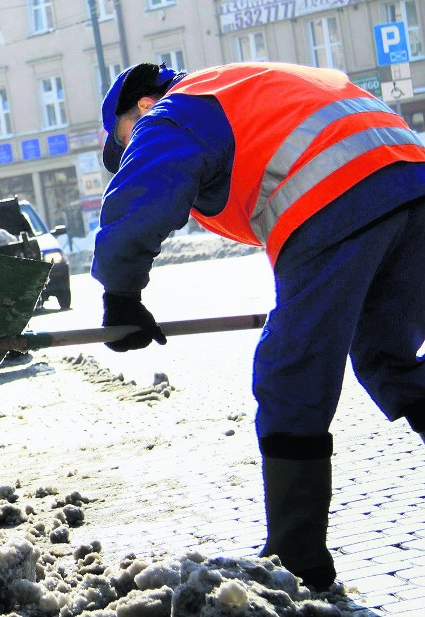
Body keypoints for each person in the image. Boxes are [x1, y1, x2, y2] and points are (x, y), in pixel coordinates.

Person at [95, 61, 425, 591]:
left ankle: (296, 556)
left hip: (339, 190)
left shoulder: (174, 111)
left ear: (139, 107)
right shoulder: (242, 85)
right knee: (388, 358)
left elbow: (143, 195)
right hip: (412, 179)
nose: (128, 152)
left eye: (123, 141)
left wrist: (121, 295)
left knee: (289, 372)